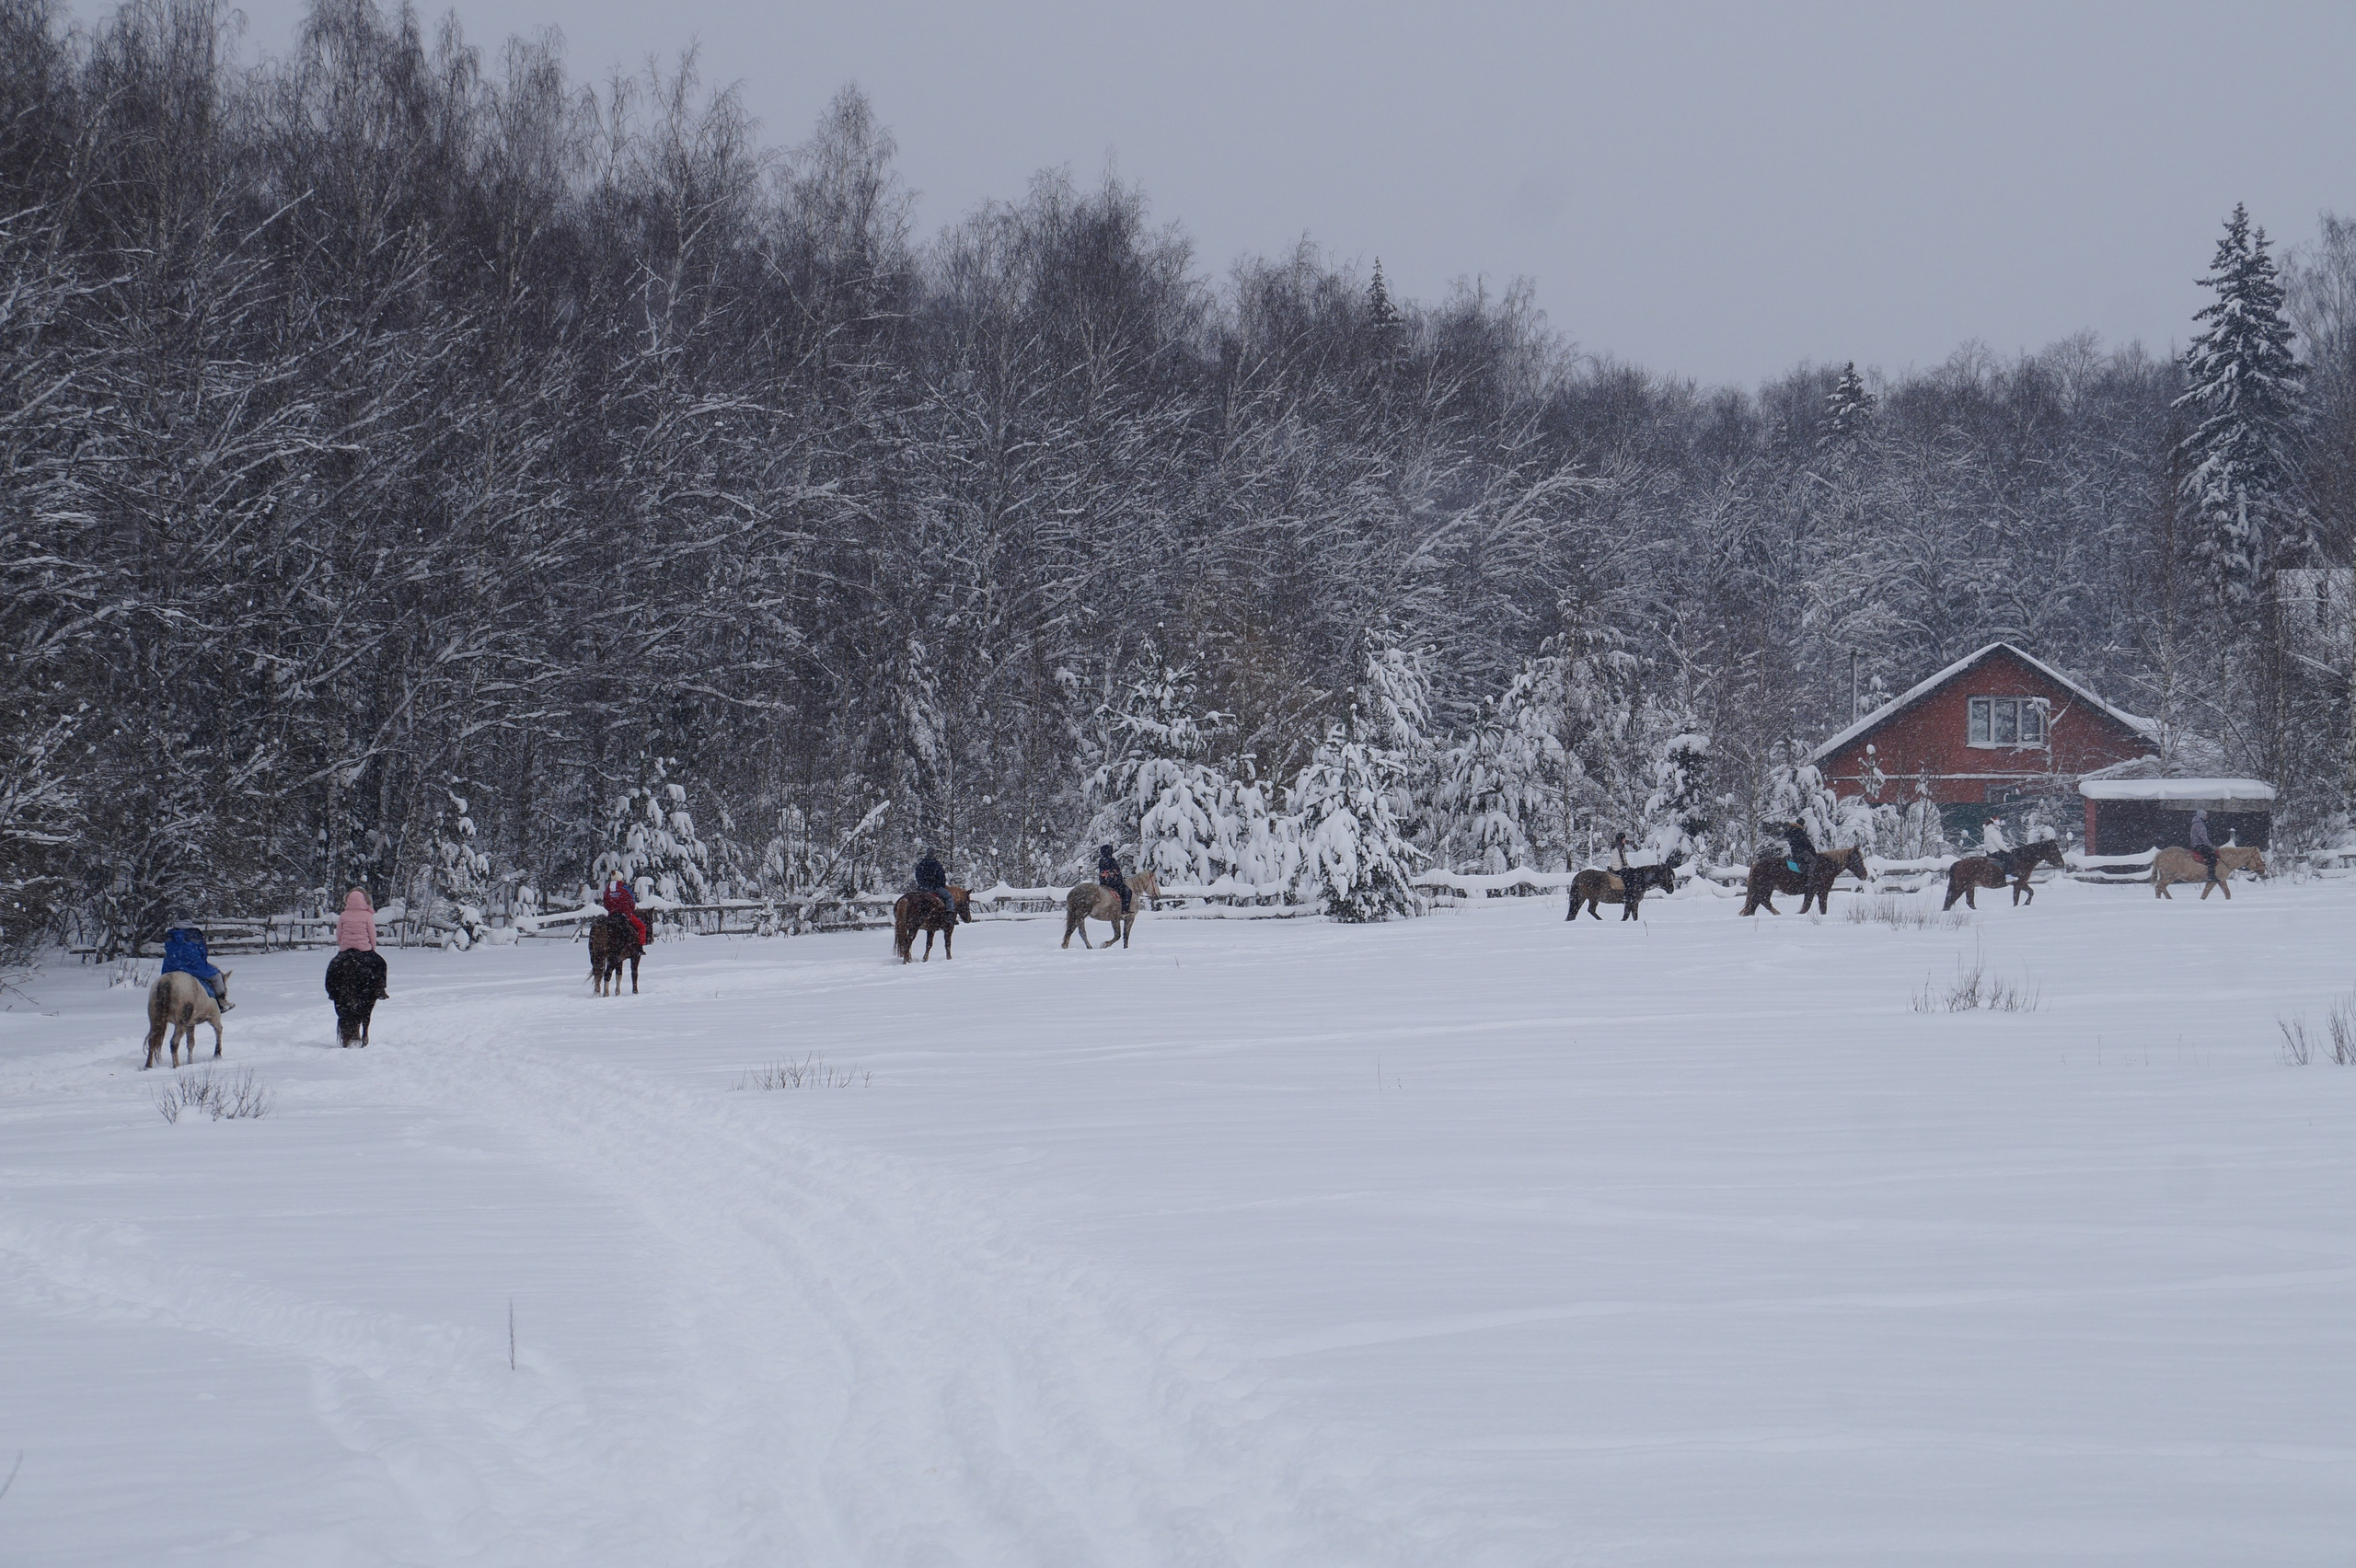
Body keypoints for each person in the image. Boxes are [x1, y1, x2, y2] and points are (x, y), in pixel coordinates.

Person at [160, 924, 233, 1011]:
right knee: (217, 976)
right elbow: (204, 952)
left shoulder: (170, 934)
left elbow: (168, 950)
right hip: (194, 967)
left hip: (171, 968)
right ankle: (221, 1002)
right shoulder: (195, 934)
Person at [333, 888, 389, 996]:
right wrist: (372, 948)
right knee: (381, 964)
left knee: (333, 968)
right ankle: (380, 988)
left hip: (346, 949)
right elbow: (372, 934)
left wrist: (342, 945)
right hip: (363, 949)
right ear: (364, 901)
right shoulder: (367, 915)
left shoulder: (343, 915)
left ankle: (333, 991)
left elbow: (339, 933)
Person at [601, 878, 650, 948]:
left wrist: (612, 910)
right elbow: (632, 902)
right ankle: (639, 947)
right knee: (641, 927)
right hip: (626, 915)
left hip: (612, 916)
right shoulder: (625, 889)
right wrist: (628, 910)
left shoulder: (607, 891)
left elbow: (605, 904)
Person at [908, 848, 955, 917]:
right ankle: (950, 914)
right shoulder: (936, 864)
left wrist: (922, 885)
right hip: (935, 887)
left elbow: (917, 876)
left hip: (922, 888)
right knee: (949, 897)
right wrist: (941, 885)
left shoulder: (921, 864)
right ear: (934, 854)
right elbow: (941, 877)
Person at [1779, 819, 1819, 883]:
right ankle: (1809, 878)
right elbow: (1807, 844)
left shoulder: (1791, 831)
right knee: (1813, 861)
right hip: (1802, 851)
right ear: (1802, 825)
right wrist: (1813, 852)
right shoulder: (1800, 831)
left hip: (1794, 852)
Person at [1096, 844, 1132, 916]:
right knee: (1128, 891)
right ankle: (1124, 909)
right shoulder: (1111, 860)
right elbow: (1115, 871)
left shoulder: (1101, 860)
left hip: (1104, 882)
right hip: (1113, 882)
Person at [2189, 809, 2219, 883]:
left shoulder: (2195, 824)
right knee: (2212, 856)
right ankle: (2211, 875)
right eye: (2206, 815)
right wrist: (2211, 846)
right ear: (2201, 816)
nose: (2207, 817)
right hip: (2199, 845)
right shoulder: (2200, 825)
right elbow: (2204, 838)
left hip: (2195, 845)